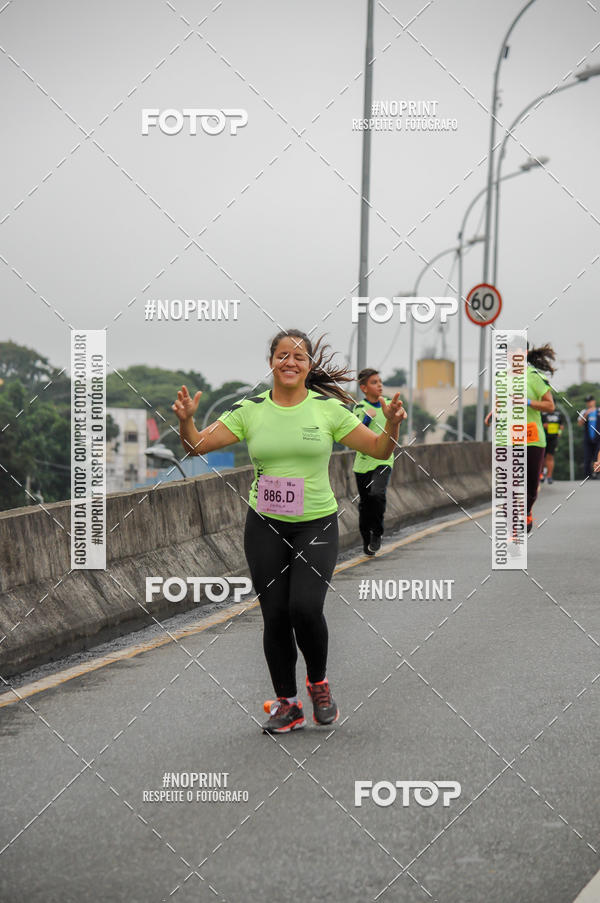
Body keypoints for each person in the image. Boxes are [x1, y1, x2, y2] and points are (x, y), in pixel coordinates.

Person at [172, 329, 406, 734]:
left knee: (305, 608)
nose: (290, 362)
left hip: (316, 523)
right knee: (275, 615)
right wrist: (187, 421)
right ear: (271, 363)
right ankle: (288, 704)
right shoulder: (251, 410)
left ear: (309, 365)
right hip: (265, 524)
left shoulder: (327, 411)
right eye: (283, 355)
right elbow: (196, 446)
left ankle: (318, 683)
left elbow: (379, 450)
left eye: (299, 356)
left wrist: (392, 425)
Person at [486, 342, 556, 534]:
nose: (513, 355)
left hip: (532, 438)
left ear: (524, 353)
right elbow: (500, 402)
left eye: (517, 351)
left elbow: (550, 406)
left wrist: (527, 402)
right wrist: (494, 413)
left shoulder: (534, 378)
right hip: (508, 438)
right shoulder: (501, 377)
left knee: (531, 484)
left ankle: (526, 511)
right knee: (509, 483)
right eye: (510, 351)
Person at [353, 368, 396, 556]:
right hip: (362, 463)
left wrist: (396, 416)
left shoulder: (388, 404)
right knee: (365, 502)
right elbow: (354, 433)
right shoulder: (358, 408)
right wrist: (366, 419)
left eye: (380, 381)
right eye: (374, 382)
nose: (379, 385)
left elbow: (398, 417)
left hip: (384, 460)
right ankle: (366, 538)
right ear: (364, 388)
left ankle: (377, 533)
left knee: (377, 495)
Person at [577, 395, 600, 480]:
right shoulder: (584, 411)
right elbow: (579, 423)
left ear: (594, 401)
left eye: (590, 401)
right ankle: (587, 475)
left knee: (597, 456)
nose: (589, 403)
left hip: (598, 438)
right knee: (587, 457)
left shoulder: (598, 410)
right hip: (588, 438)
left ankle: (597, 474)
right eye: (587, 402)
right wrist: (586, 414)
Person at [540, 409, 564, 484]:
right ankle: (541, 475)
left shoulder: (558, 414)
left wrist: (559, 432)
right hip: (543, 437)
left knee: (550, 457)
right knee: (542, 457)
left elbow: (561, 426)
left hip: (553, 438)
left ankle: (549, 476)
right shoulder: (542, 413)